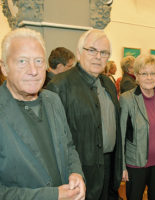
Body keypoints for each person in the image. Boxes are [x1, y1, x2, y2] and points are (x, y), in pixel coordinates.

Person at [0, 28, 85, 199]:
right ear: (4, 67)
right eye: (22, 61)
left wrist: (76, 173)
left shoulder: (53, 100)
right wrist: (53, 195)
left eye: (38, 61)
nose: (33, 70)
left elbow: (69, 147)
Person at [47, 29, 122, 200]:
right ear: (80, 52)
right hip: (79, 171)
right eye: (92, 50)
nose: (98, 57)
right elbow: (54, 139)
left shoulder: (108, 84)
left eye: (104, 52)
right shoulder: (59, 86)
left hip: (109, 167)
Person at [120, 54, 155, 200]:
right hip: (135, 164)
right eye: (144, 73)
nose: (149, 77)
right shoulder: (127, 98)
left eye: (153, 73)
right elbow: (121, 135)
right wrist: (122, 167)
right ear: (137, 76)